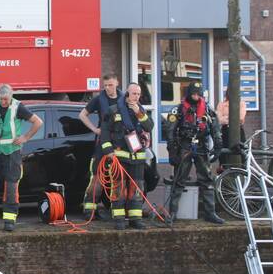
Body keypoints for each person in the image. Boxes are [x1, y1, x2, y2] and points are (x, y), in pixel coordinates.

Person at [0, 83, 43, 232]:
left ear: (11, 96)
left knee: (11, 187)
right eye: (1, 99)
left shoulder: (18, 107)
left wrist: (25, 137)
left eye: (6, 99)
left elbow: (38, 122)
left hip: (12, 152)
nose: (3, 102)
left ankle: (9, 221)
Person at [165, 82, 225, 225]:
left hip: (202, 147)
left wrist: (218, 146)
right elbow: (170, 131)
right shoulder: (178, 110)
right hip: (185, 146)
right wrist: (172, 152)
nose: (196, 97)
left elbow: (215, 128)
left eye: (198, 94)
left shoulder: (208, 110)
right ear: (189, 94)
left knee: (207, 180)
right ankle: (172, 213)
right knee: (179, 179)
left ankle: (210, 213)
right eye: (194, 94)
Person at [106, 83, 154, 230]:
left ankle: (135, 219)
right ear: (126, 94)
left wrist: (140, 113)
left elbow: (149, 127)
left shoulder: (141, 111)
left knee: (137, 189)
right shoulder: (114, 110)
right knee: (118, 189)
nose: (136, 97)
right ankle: (119, 219)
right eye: (133, 94)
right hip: (120, 157)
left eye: (138, 94)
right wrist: (108, 151)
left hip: (137, 158)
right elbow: (105, 133)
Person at [77, 74, 121, 219]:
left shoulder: (124, 99)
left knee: (118, 178)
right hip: (102, 144)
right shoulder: (98, 100)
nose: (108, 88)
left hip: (119, 144)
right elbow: (82, 115)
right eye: (106, 85)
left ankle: (117, 211)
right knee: (97, 177)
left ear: (117, 83)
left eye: (111, 85)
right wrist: (95, 129)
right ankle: (89, 210)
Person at [216, 86, 247, 167]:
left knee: (240, 150)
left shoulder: (242, 104)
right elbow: (220, 119)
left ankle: (241, 169)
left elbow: (240, 118)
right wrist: (233, 117)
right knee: (224, 151)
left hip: (238, 131)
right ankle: (224, 169)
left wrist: (226, 117)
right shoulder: (221, 104)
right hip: (225, 131)